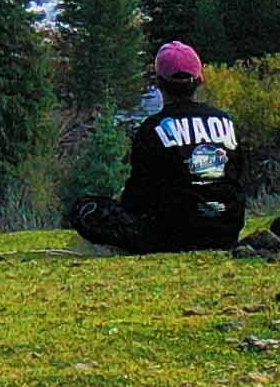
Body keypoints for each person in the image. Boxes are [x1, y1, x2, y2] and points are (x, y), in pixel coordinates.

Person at [70, 40, 246, 253]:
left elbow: (138, 194)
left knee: (85, 210)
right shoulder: (225, 121)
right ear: (200, 79)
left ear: (159, 83)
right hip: (226, 231)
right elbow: (236, 176)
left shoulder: (152, 129)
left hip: (172, 235)